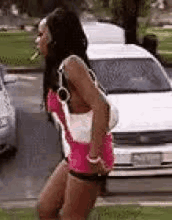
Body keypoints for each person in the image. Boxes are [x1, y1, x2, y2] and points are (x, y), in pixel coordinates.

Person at [35, 7, 117, 220]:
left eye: (41, 34)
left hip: (89, 155)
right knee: (45, 209)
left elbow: (102, 107)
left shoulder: (72, 64)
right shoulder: (58, 68)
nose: (37, 40)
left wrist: (94, 156)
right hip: (75, 153)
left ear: (55, 37)